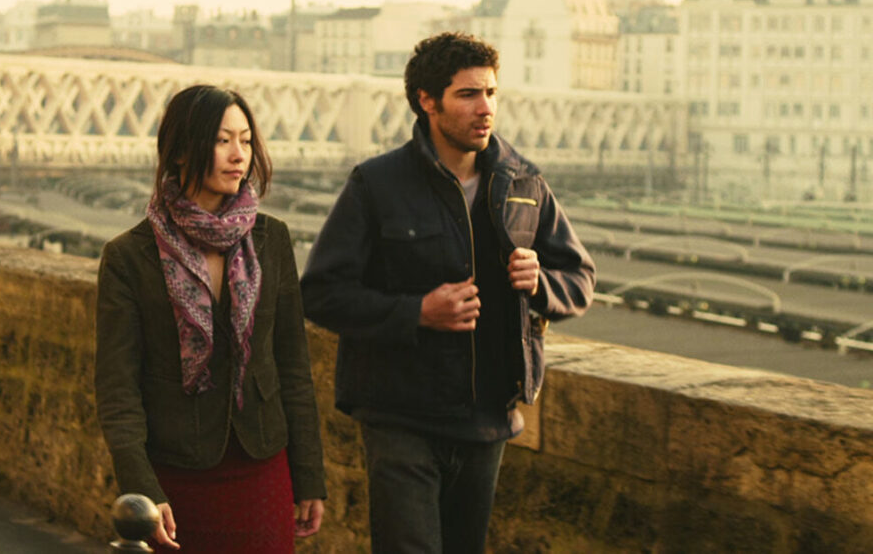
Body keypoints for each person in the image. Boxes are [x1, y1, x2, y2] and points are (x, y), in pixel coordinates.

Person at [300, 32, 595, 553]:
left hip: (487, 422)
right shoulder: (376, 184)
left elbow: (580, 278)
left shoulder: (524, 182)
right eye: (468, 95)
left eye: (492, 93)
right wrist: (417, 312)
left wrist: (542, 283)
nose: (486, 108)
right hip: (400, 417)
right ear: (427, 101)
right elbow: (321, 292)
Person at [95, 85, 326, 553]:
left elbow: (293, 368)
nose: (238, 155)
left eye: (245, 140)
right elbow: (118, 388)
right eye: (222, 141)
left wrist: (309, 476)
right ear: (180, 150)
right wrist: (142, 488)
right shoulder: (129, 256)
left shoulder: (270, 239)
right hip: (175, 473)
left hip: (262, 465)